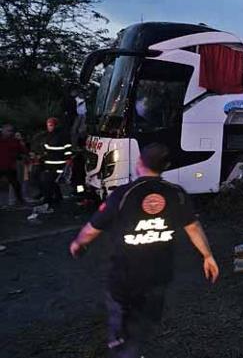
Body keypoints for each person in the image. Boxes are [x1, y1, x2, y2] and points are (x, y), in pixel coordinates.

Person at [69, 143, 219, 358]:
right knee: (145, 320)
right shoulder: (176, 193)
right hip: (159, 277)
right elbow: (193, 227)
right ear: (165, 166)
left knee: (123, 328)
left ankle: (124, 347)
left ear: (139, 164)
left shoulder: (123, 194)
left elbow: (92, 229)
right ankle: (135, 344)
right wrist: (208, 256)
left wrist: (78, 243)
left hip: (124, 279)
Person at [41, 117, 72, 210]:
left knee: (49, 181)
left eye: (50, 125)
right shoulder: (49, 135)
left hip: (58, 163)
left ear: (55, 125)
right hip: (49, 163)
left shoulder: (62, 135)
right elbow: (46, 148)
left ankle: (48, 200)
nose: (49, 127)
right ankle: (57, 198)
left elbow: (67, 148)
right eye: (48, 125)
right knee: (52, 182)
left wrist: (68, 159)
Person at [0, 124, 26, 206]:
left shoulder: (14, 141)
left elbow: (23, 151)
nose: (10, 133)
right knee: (15, 184)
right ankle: (20, 200)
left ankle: (20, 200)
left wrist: (19, 155)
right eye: (8, 131)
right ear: (3, 130)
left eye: (11, 131)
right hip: (2, 165)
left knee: (15, 184)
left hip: (10, 166)